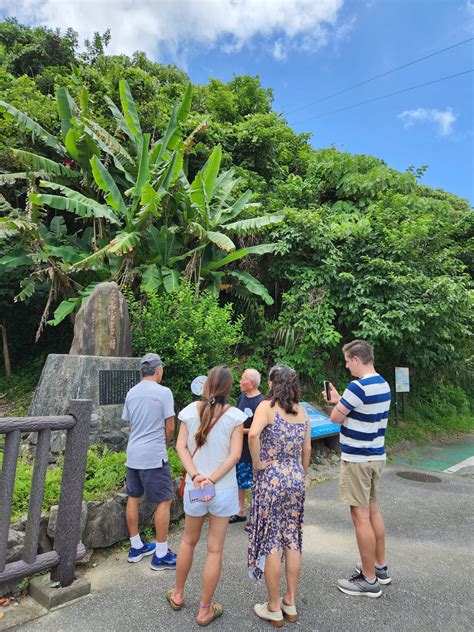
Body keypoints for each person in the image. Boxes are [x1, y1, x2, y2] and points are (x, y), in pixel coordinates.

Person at [166, 365, 246, 626]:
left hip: (195, 488)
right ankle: (204, 609)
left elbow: (180, 447)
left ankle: (177, 595)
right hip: (221, 490)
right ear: (229, 388)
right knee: (214, 550)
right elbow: (235, 455)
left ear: (206, 385)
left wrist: (196, 475)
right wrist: (211, 478)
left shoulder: (190, 411)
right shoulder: (235, 416)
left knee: (188, 542)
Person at [323, 340, 391, 598]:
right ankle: (379, 567)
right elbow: (358, 410)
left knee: (359, 516)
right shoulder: (382, 383)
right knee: (373, 511)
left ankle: (368, 580)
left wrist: (337, 401)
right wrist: (342, 400)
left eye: (348, 360)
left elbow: (335, 417)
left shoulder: (357, 386)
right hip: (376, 455)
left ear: (357, 359)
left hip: (357, 460)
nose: (346, 365)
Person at [248, 365, 311, 627]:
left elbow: (252, 434)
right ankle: (290, 601)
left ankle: (273, 606)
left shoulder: (267, 407)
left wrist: (258, 463)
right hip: (295, 479)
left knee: (271, 540)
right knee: (292, 539)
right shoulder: (303, 411)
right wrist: (299, 472)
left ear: (273, 384)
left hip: (271, 480)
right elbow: (307, 448)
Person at [122, 352, 177, 570]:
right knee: (164, 500)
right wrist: (163, 443)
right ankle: (161, 554)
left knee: (133, 497)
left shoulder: (131, 393)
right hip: (154, 455)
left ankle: (136, 546)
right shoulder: (164, 392)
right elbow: (170, 426)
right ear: (158, 370)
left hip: (133, 454)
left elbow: (130, 426)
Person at [229, 368, 265, 525]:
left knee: (256, 483)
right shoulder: (242, 397)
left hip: (254, 449)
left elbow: (262, 428)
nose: (240, 382)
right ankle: (240, 511)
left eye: (243, 379)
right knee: (240, 480)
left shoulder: (262, 402)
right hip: (240, 447)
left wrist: (240, 430)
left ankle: (256, 516)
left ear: (251, 383)